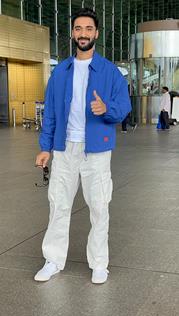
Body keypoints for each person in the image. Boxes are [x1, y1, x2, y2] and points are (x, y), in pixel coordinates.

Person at [34, 8, 131, 284]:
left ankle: (99, 263)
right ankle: (53, 259)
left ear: (96, 33)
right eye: (78, 29)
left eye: (89, 29)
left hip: (96, 151)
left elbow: (124, 107)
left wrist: (106, 108)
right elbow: (50, 112)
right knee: (58, 204)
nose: (83, 34)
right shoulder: (60, 72)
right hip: (64, 149)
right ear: (73, 33)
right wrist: (45, 148)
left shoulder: (110, 71)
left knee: (99, 206)